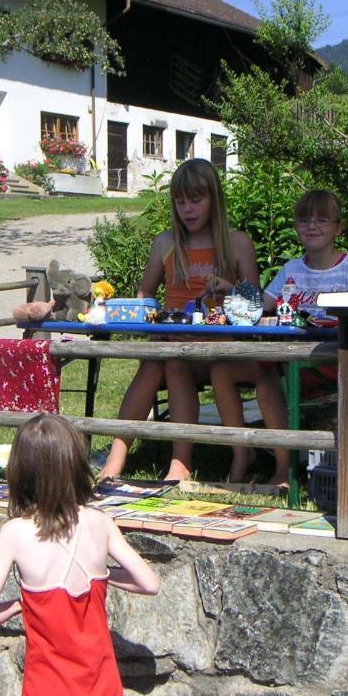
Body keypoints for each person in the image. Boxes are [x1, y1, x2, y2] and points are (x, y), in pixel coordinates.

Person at [0, 414, 159, 696]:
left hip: (46, 693)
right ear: (74, 463)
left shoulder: (14, 533)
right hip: (100, 689)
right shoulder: (100, 522)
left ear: (20, 470)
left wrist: (22, 603)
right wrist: (104, 575)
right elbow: (149, 583)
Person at [98, 158, 259, 481]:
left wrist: (231, 289)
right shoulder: (165, 243)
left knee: (171, 362)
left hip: (220, 346)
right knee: (162, 362)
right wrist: (149, 323)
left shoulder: (237, 242)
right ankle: (119, 458)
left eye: (196, 200)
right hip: (174, 343)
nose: (188, 209)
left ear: (215, 199)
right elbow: (146, 294)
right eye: (180, 201)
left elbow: (256, 303)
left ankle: (179, 462)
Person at [210, 189, 348, 485]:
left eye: (322, 219)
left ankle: (285, 469)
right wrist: (231, 291)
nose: (312, 226)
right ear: (296, 227)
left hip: (331, 358)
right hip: (288, 354)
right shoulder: (291, 269)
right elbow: (261, 306)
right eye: (304, 220)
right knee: (222, 370)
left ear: (338, 227)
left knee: (270, 383)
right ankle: (241, 454)